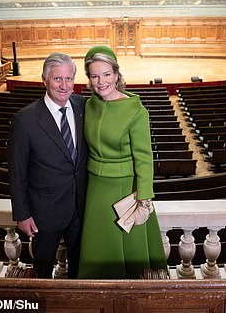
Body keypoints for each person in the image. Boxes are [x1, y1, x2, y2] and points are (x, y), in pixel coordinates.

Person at [78, 46, 166, 279]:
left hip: (125, 190)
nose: (101, 81)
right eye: (94, 75)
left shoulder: (136, 111)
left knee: (129, 255)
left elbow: (145, 159)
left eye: (106, 74)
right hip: (95, 188)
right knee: (98, 248)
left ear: (117, 75)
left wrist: (144, 200)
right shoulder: (89, 105)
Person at [9, 52, 88, 279]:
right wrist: (22, 214)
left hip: (81, 209)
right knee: (42, 267)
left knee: (78, 266)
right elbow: (17, 172)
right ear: (44, 80)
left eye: (69, 79)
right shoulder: (24, 120)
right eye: (57, 79)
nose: (64, 86)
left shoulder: (83, 106)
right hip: (44, 213)